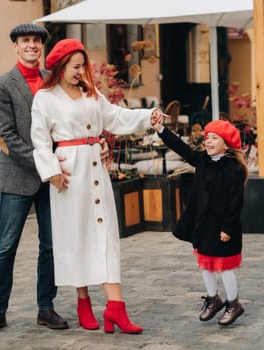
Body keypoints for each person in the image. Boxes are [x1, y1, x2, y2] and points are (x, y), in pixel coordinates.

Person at [31, 38, 165, 334]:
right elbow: (39, 140)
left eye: (84, 66)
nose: (81, 72)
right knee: (78, 235)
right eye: (76, 67)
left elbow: (117, 117)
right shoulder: (45, 98)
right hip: (69, 171)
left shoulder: (91, 93)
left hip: (95, 167)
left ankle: (116, 308)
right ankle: (83, 302)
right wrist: (52, 171)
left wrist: (148, 116)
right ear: (61, 67)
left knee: (105, 234)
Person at [0, 24, 105, 335]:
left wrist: (97, 141)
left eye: (37, 41)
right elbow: (4, 135)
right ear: (16, 46)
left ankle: (45, 307)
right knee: (6, 246)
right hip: (20, 178)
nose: (32, 45)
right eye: (26, 41)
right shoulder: (1, 85)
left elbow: (81, 117)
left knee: (50, 244)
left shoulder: (55, 80)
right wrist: (46, 165)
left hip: (57, 178)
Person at [151, 118, 248, 326]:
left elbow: (236, 202)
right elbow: (182, 148)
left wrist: (228, 228)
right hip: (203, 223)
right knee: (205, 263)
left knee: (224, 266)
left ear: (226, 143)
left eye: (214, 138)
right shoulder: (202, 160)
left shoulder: (234, 169)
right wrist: (161, 130)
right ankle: (213, 298)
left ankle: (234, 303)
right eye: (207, 138)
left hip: (223, 227)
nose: (209, 142)